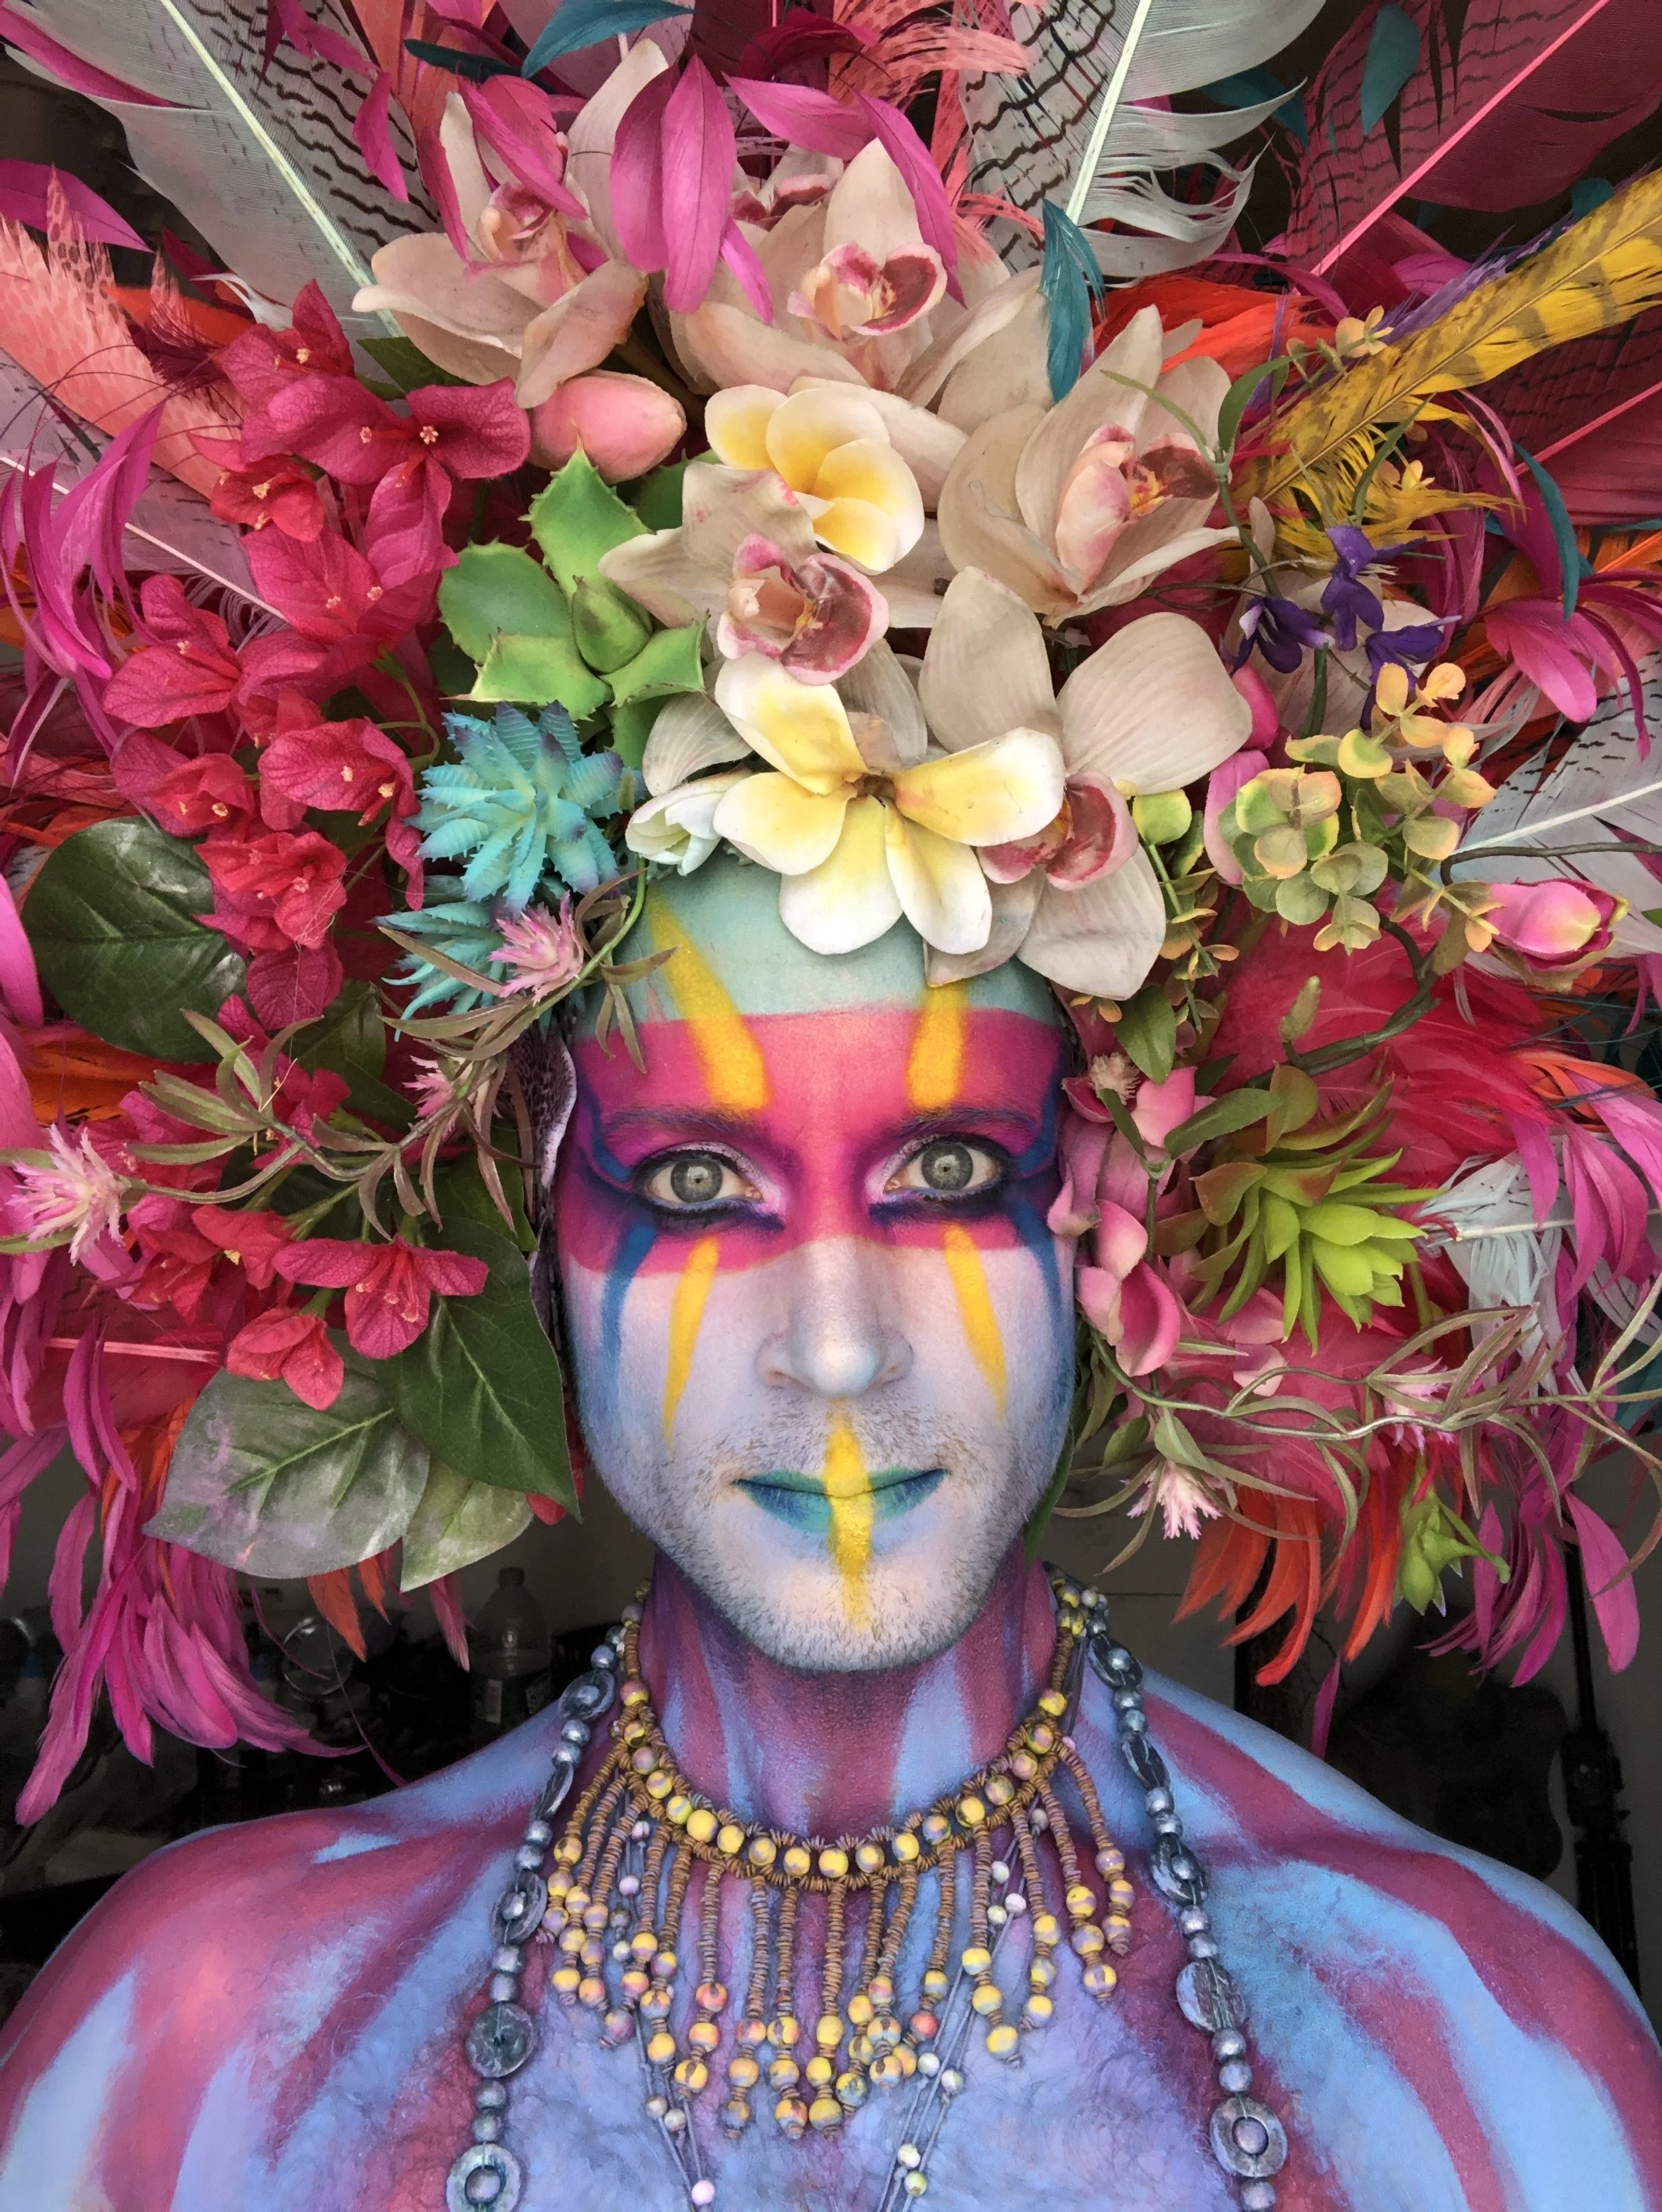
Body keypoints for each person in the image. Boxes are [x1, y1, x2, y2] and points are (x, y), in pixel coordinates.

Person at [1, 858, 1659, 2212]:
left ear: (1105, 1212)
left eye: (945, 1167)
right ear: (525, 1240)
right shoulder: (193, 2036)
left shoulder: (1474, 2041)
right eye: (698, 1187)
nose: (842, 1344)